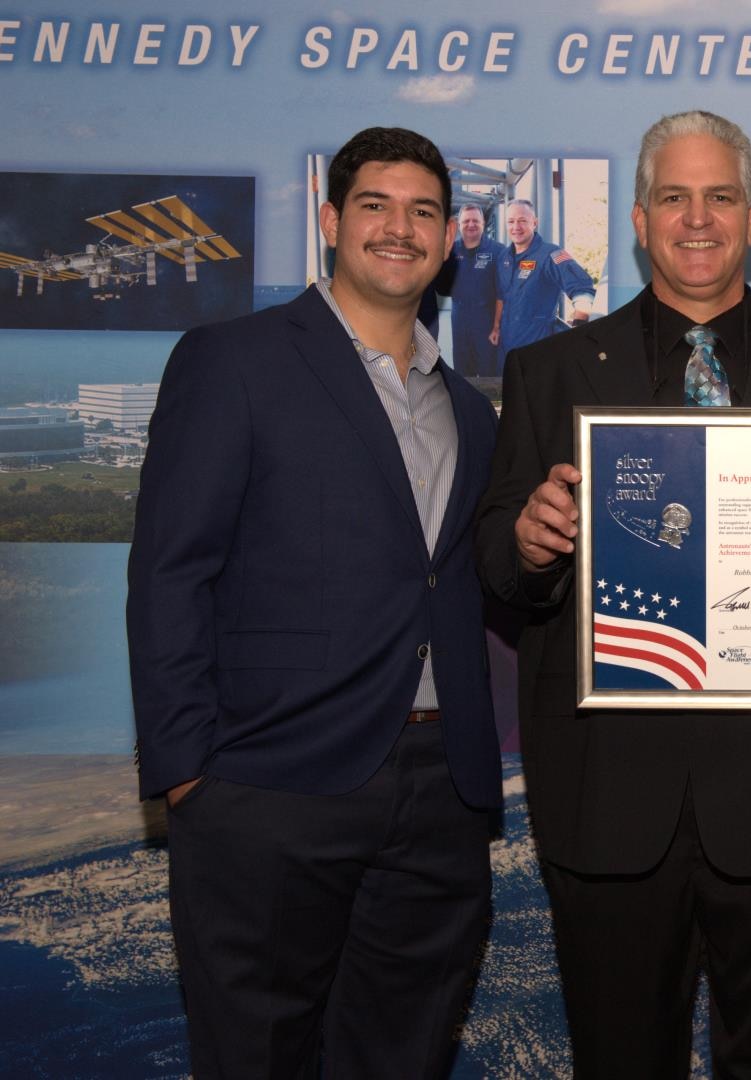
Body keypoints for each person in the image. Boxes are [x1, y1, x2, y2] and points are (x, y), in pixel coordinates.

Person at [475, 110, 751, 1077]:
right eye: (675, 196)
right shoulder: (546, 373)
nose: (698, 218)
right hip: (607, 806)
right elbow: (500, 568)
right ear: (640, 220)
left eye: (720, 196)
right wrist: (530, 542)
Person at [126, 126, 501, 1077]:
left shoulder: (471, 408)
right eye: (375, 205)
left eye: (424, 211)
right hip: (265, 785)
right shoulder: (233, 360)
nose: (399, 229)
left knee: (403, 1056)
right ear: (332, 221)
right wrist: (187, 778)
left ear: (450, 237)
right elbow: (171, 571)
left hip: (438, 792)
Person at [494, 197, 594, 367]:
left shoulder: (550, 254)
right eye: (511, 221)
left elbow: (583, 289)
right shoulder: (504, 257)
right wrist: (496, 327)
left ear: (535, 223)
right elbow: (501, 296)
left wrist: (578, 329)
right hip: (507, 348)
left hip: (538, 349)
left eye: (522, 221)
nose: (516, 227)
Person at [437, 202, 503, 376]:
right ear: (459, 225)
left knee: (489, 371)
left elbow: (507, 291)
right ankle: (466, 403)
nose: (471, 225)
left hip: (487, 320)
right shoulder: (449, 251)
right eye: (466, 221)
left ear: (483, 224)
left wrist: (497, 326)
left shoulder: (499, 252)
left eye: (475, 221)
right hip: (459, 319)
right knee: (462, 371)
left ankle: (490, 404)